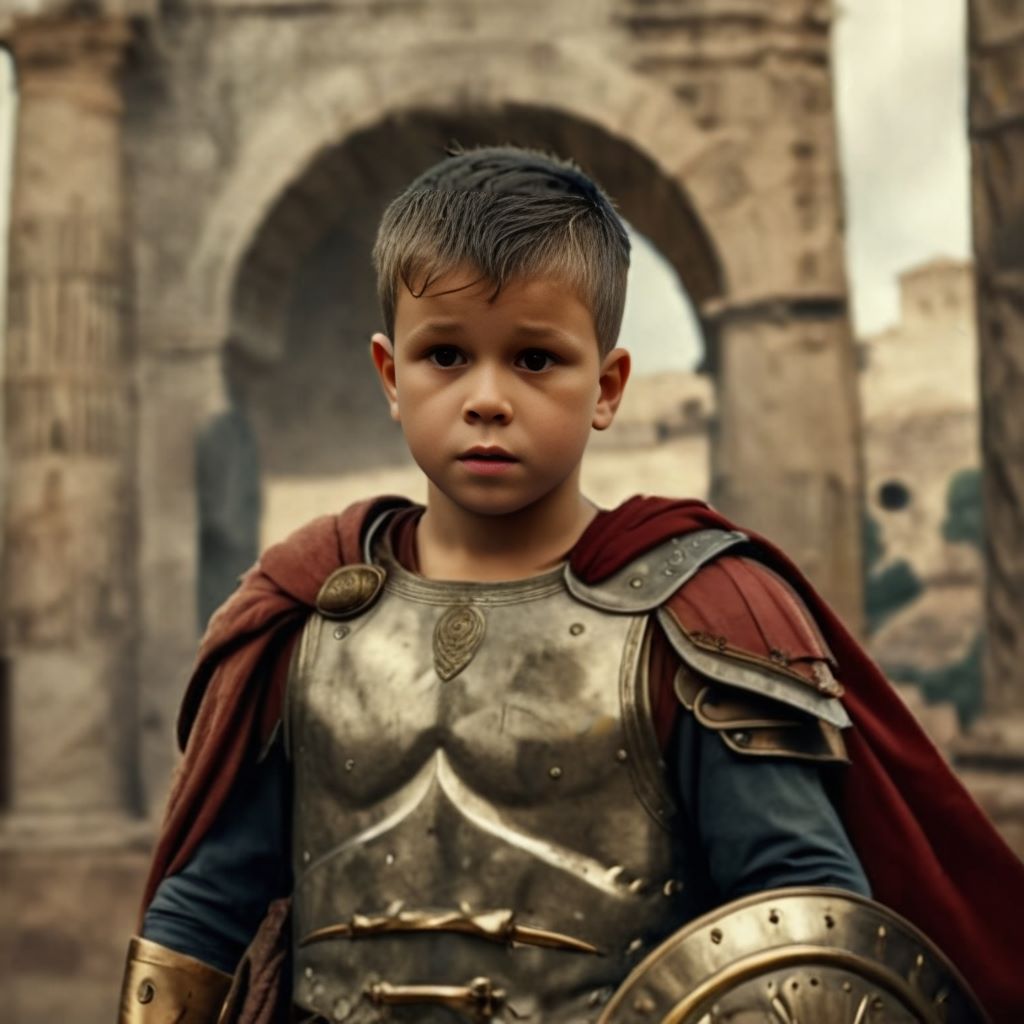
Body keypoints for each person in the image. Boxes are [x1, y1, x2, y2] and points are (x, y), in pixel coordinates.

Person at [117, 147, 1024, 1024]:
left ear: (609, 385)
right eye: (445, 356)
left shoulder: (698, 619)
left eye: (535, 359)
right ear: (390, 377)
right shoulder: (308, 612)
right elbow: (202, 910)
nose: (487, 397)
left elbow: (803, 936)